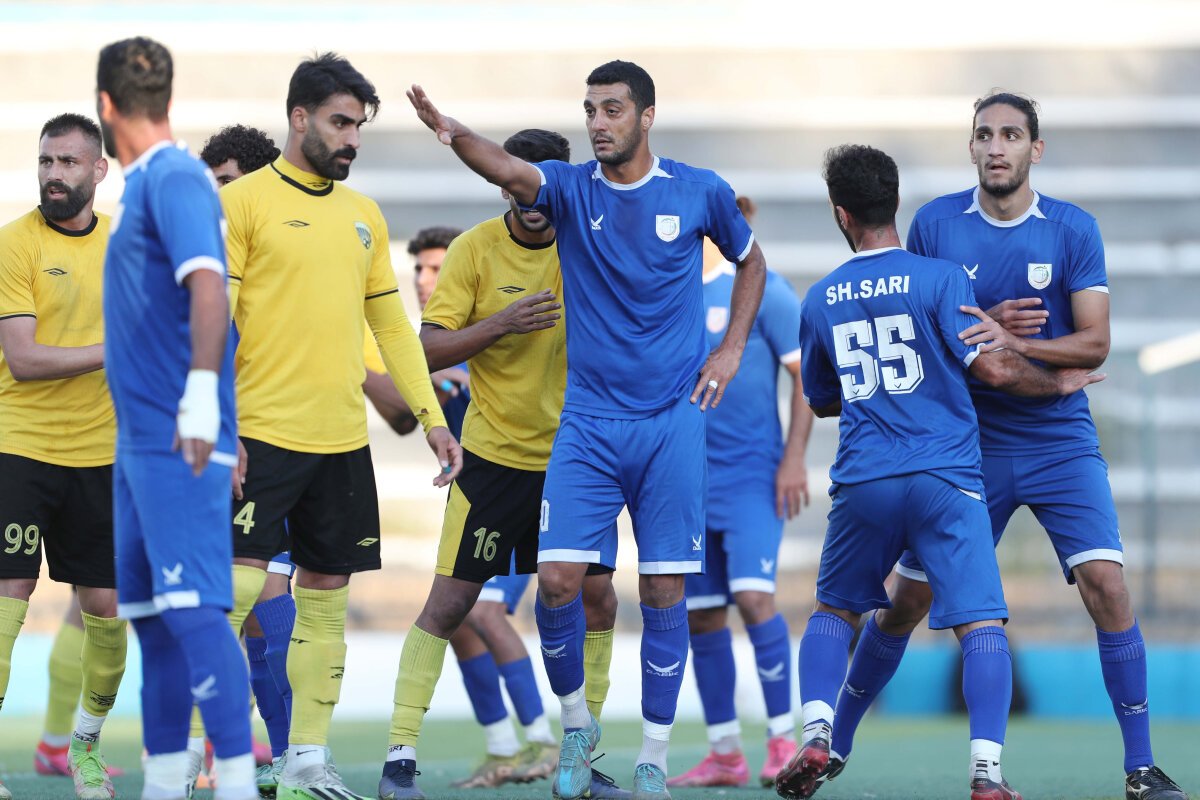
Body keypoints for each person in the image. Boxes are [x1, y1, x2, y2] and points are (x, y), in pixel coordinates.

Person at [406, 59, 767, 800]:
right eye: (590, 110)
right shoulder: (571, 189)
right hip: (588, 425)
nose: (598, 123)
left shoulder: (697, 190)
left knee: (661, 591)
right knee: (557, 582)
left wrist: (731, 347)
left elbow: (751, 260)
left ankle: (654, 759)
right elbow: (505, 167)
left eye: (612, 109)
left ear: (646, 115)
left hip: (670, 424)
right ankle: (576, 728)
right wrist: (451, 133)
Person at [824, 92, 1190, 800]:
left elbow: (1096, 342)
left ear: (1035, 149)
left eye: (1012, 135)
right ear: (971, 147)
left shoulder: (1072, 229)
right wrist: (986, 324)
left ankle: (1141, 767)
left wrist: (1012, 341)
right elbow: (917, 324)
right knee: (905, 602)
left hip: (1060, 440)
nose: (997, 146)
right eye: (985, 134)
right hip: (967, 445)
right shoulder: (935, 225)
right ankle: (832, 744)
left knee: (1108, 586)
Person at [776, 143, 1106, 800]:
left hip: (865, 479)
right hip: (946, 478)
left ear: (841, 213)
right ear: (896, 203)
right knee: (979, 623)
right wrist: (1057, 383)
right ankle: (986, 773)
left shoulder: (821, 297)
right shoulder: (941, 278)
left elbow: (822, 398)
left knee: (835, 610)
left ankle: (816, 732)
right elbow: (995, 370)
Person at [220, 52, 460, 800]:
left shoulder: (364, 215)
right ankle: (199, 759)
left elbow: (392, 330)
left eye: (359, 126)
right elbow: (214, 324)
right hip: (260, 436)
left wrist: (432, 420)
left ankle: (305, 762)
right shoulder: (242, 203)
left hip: (340, 443)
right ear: (300, 118)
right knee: (232, 598)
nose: (352, 138)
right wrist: (222, 427)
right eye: (340, 122)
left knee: (324, 598)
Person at [380, 129, 626, 800]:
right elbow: (426, 349)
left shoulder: (593, 243)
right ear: (503, 184)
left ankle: (580, 753)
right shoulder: (473, 250)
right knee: (450, 605)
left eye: (544, 186)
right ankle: (399, 758)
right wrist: (500, 325)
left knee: (597, 599)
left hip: (578, 461)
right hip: (493, 461)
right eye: (520, 184)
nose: (533, 199)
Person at [97, 36, 256, 800]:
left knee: (193, 613)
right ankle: (163, 786)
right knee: (154, 625)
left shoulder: (176, 177)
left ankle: (235, 785)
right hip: (138, 447)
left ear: (105, 106)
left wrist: (199, 401)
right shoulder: (143, 188)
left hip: (178, 439)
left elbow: (210, 287)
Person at [0, 113, 128, 800]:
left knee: (107, 611)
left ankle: (83, 748)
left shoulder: (126, 246)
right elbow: (22, 360)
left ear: (99, 170)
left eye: (69, 163)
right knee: (9, 597)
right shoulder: (13, 243)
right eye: (46, 161)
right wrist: (117, 350)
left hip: (102, 457)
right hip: (20, 446)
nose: (54, 174)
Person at [670, 198, 812, 789]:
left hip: (753, 475)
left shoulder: (764, 290)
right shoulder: (668, 292)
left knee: (755, 600)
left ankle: (783, 740)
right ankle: (725, 753)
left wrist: (794, 458)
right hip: (686, 483)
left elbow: (806, 376)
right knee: (702, 615)